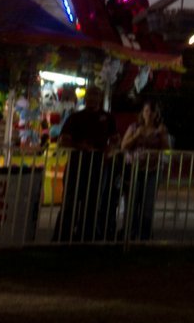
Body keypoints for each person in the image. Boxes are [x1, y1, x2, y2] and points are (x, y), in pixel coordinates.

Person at [54, 87, 118, 242]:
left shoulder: (107, 118)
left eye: (96, 95)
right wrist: (79, 145)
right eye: (90, 95)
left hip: (98, 166)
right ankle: (64, 236)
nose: (92, 99)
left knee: (93, 202)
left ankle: (88, 236)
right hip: (77, 164)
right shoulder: (75, 117)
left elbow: (116, 139)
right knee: (71, 201)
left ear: (100, 97)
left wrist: (111, 149)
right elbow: (63, 140)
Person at [120, 103, 171, 241]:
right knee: (132, 199)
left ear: (156, 115)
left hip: (153, 169)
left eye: (152, 111)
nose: (149, 114)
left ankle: (145, 233)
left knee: (148, 202)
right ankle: (129, 231)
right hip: (134, 168)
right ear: (142, 112)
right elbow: (124, 145)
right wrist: (137, 135)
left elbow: (167, 149)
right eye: (147, 110)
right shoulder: (134, 127)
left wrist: (162, 136)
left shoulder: (160, 129)